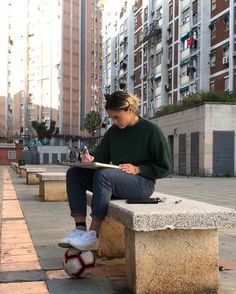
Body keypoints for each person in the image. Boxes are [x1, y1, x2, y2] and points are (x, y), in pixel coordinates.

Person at [58, 91, 171, 251]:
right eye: (111, 117)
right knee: (74, 173)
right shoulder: (113, 132)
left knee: (104, 175)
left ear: (130, 110)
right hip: (117, 182)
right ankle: (80, 230)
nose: (114, 121)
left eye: (117, 117)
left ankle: (93, 234)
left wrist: (138, 169)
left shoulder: (151, 131)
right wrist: (90, 159)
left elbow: (165, 167)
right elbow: (101, 156)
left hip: (142, 185)